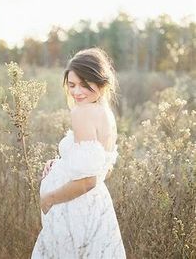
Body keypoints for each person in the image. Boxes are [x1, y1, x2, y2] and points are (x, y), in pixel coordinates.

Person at [31, 47, 126, 258]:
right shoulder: (105, 113)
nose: (77, 92)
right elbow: (102, 169)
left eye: (85, 84)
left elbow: (88, 180)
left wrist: (49, 198)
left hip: (75, 211)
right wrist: (62, 163)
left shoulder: (82, 112)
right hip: (97, 208)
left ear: (101, 83)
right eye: (72, 85)